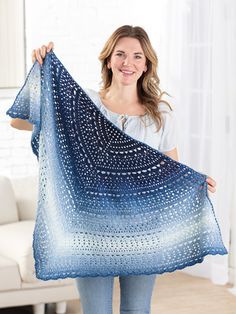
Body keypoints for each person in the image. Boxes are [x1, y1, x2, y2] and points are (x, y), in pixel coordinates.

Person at [10, 25, 216, 314]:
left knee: (136, 309)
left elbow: (170, 169)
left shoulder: (161, 114)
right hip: (92, 229)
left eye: (136, 56)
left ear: (146, 65)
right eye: (120, 54)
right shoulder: (88, 104)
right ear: (109, 60)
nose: (127, 63)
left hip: (144, 228)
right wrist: (39, 71)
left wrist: (194, 182)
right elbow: (19, 122)